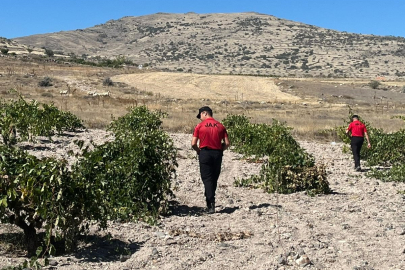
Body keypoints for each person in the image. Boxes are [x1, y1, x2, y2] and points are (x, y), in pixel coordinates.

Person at [191, 106, 230, 214]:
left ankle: (210, 204)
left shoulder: (199, 126)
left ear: (204, 113)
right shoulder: (221, 126)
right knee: (214, 177)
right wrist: (221, 150)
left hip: (205, 153)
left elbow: (193, 143)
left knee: (207, 178)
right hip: (217, 153)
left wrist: (198, 151)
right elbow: (227, 143)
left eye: (200, 116)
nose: (200, 118)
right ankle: (211, 198)